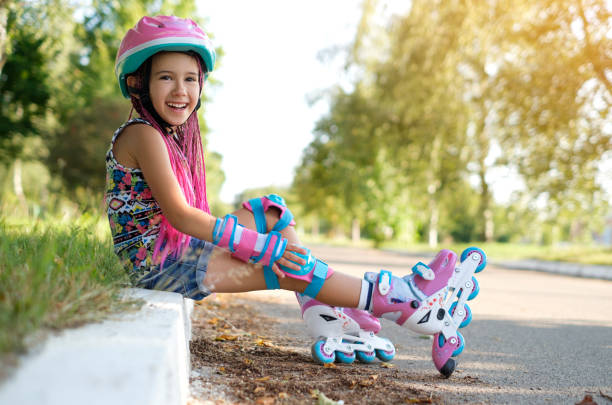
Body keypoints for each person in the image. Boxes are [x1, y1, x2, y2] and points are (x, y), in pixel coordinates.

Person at [106, 15, 486, 377]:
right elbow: (182, 216)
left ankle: (322, 309)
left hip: (177, 251)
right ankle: (408, 302)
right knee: (290, 267)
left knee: (270, 213)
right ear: (140, 82)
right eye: (166, 78)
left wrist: (264, 240)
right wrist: (262, 249)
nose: (181, 91)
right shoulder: (144, 134)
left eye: (190, 79)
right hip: (162, 267)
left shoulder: (163, 135)